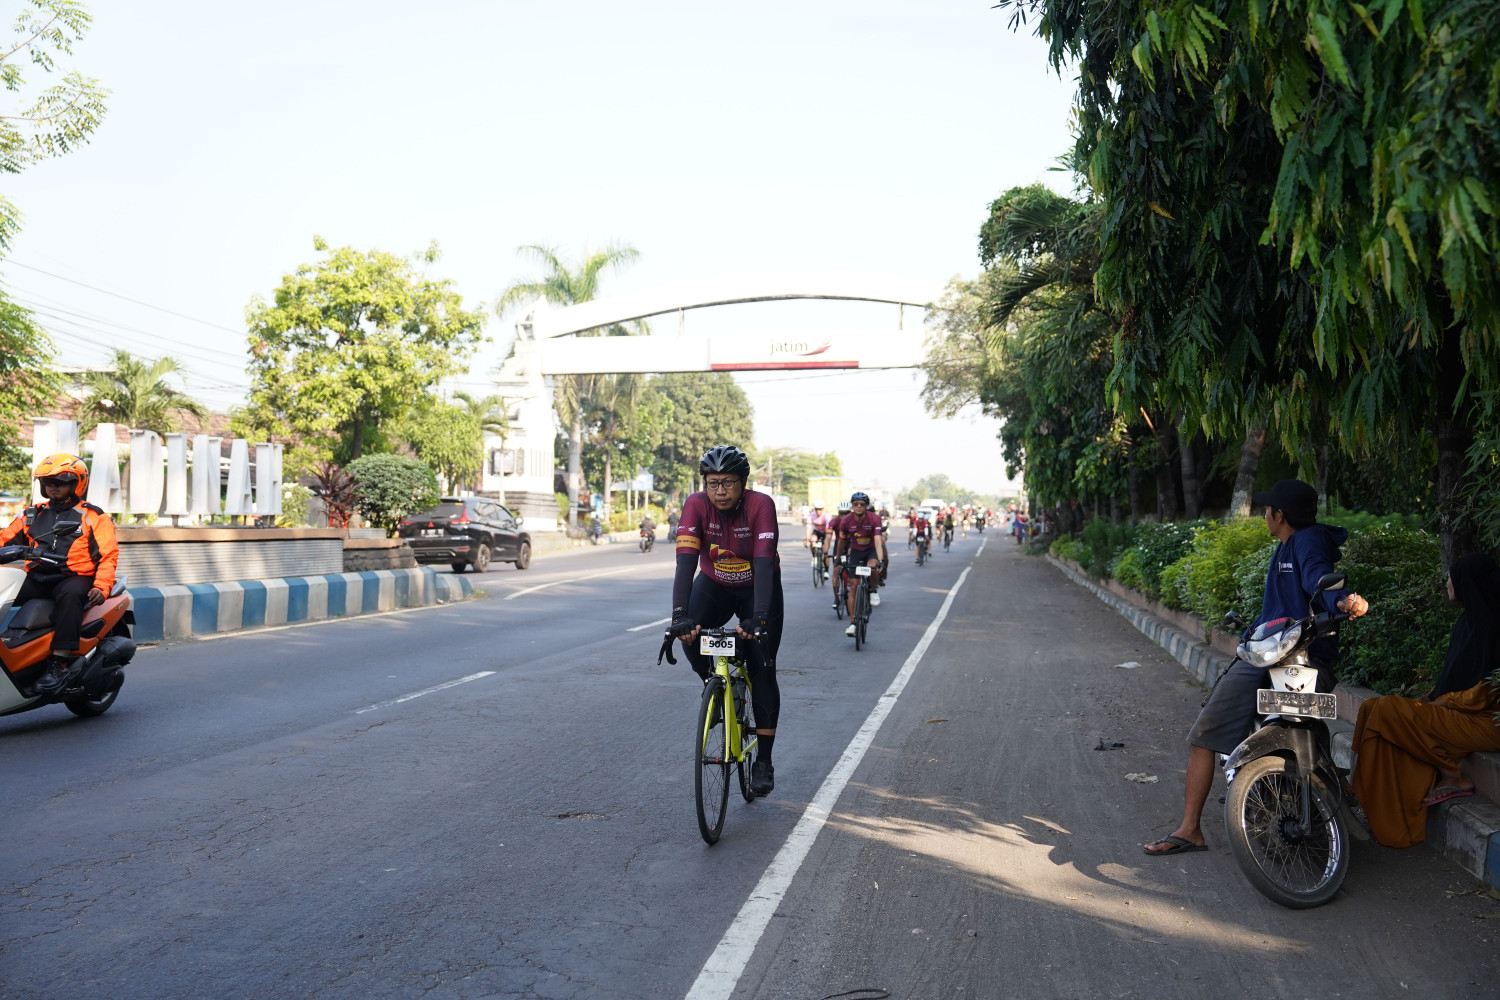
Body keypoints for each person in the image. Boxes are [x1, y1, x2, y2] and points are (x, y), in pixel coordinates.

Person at [1144, 478, 1369, 856]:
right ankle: (1193, 828)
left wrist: (1344, 600)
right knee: (1222, 729)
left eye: (1267, 510)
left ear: (1279, 515)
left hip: (1298, 658)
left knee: (1207, 735)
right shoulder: (1285, 547)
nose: (1264, 515)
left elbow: (1319, 577)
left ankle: (1191, 828)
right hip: (1273, 655)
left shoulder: (1307, 541)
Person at [1349, 552, 1500, 847]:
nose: (1447, 582)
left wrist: (1441, 704)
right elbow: (1454, 679)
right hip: (1460, 712)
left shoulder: (1495, 626)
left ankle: (1452, 774)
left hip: (1485, 721)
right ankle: (1356, 786)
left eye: (1452, 577)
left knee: (1387, 709)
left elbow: (1487, 693)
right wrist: (1430, 697)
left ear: (1467, 582)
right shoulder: (1468, 623)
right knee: (1370, 706)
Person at [670, 446, 783, 795]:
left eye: (728, 482)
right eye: (713, 483)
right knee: (690, 632)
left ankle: (764, 761)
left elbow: (764, 561)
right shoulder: (695, 505)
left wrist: (759, 618)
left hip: (757, 587)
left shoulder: (760, 505)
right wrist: (679, 614)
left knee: (762, 667)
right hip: (715, 583)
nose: (720, 491)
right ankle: (714, 686)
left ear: (743, 483)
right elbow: (685, 561)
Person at [0, 454, 119, 694]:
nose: (52, 486)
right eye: (48, 482)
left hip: (73, 576)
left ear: (77, 484)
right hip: (36, 575)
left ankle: (59, 663)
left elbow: (108, 556)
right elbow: (4, 540)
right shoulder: (31, 514)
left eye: (60, 482)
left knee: (71, 595)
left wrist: (101, 586)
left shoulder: (93, 516)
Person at [835, 491, 886, 635]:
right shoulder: (846, 521)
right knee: (853, 586)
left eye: (862, 504)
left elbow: (878, 541)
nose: (858, 506)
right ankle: (853, 623)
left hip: (871, 550)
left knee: (872, 568)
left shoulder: (874, 519)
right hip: (856, 552)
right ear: (852, 506)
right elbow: (841, 541)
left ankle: (873, 590)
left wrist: (881, 560)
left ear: (866, 506)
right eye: (855, 504)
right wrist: (838, 558)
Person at [804, 501, 833, 577]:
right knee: (812, 540)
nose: (818, 511)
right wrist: (807, 539)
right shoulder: (811, 515)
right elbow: (808, 528)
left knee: (825, 552)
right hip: (816, 532)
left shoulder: (827, 516)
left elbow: (828, 531)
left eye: (820, 509)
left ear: (823, 509)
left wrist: (827, 543)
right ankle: (814, 556)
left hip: (825, 533)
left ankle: (826, 571)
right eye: (816, 509)